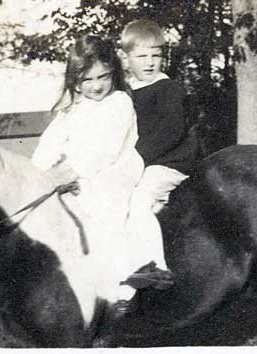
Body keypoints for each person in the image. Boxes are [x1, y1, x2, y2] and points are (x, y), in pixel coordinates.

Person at [31, 35, 159, 315]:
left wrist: (75, 173)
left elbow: (107, 149)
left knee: (105, 208)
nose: (97, 85)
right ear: (75, 81)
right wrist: (38, 174)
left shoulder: (119, 102)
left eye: (103, 76)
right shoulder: (73, 111)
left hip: (116, 169)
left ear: (113, 72)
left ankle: (122, 288)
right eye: (87, 80)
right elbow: (49, 145)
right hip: (78, 174)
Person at [119, 19, 197, 290]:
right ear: (125, 58)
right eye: (141, 56)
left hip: (170, 160)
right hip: (144, 162)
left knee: (140, 201)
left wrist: (134, 161)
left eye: (156, 55)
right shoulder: (124, 93)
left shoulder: (167, 88)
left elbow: (171, 131)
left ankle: (158, 267)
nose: (150, 62)